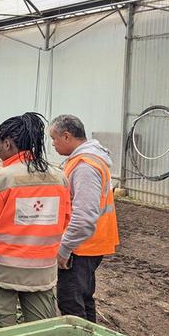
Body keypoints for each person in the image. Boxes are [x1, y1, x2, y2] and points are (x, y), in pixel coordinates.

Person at [0, 112, 71, 329]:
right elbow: (65, 219)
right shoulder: (59, 178)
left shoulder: (1, 179)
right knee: (40, 335)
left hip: (0, 272)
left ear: (7, 144)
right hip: (41, 274)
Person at [50, 114, 119, 322]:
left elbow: (84, 216)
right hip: (90, 245)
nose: (52, 144)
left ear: (67, 136)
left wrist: (64, 249)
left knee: (70, 301)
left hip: (81, 248)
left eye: (54, 138)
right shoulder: (88, 160)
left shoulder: (85, 167)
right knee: (84, 298)